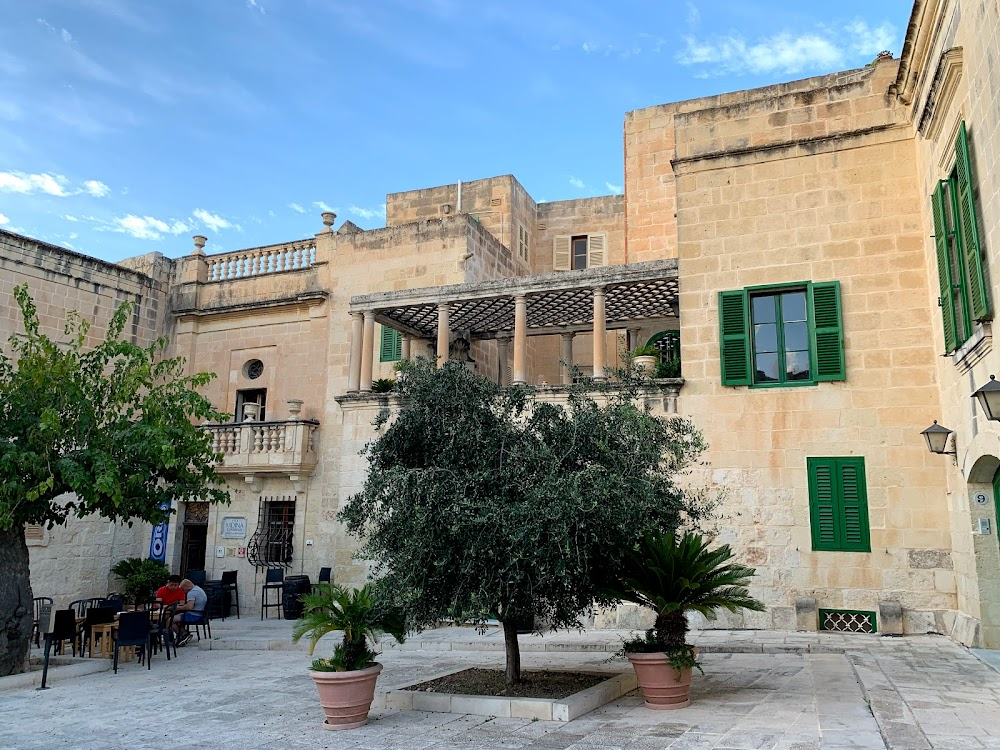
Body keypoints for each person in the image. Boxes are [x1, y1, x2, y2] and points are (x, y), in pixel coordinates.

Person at [171, 578, 208, 646]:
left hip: (194, 615)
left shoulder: (191, 593)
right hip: (200, 614)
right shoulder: (198, 589)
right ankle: (182, 634)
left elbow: (189, 607)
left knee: (170, 620)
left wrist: (177, 608)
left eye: (183, 589)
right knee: (178, 618)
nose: (183, 591)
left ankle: (183, 635)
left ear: (187, 587)